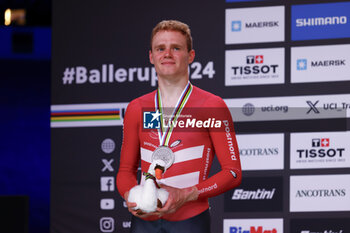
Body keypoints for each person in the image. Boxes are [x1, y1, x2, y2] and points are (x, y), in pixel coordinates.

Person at [116, 20, 241, 233]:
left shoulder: (212, 105)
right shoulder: (137, 108)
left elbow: (233, 172)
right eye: (160, 48)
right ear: (151, 57)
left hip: (190, 221)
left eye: (176, 48)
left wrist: (187, 195)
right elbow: (125, 171)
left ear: (190, 56)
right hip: (144, 221)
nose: (167, 54)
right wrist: (132, 196)